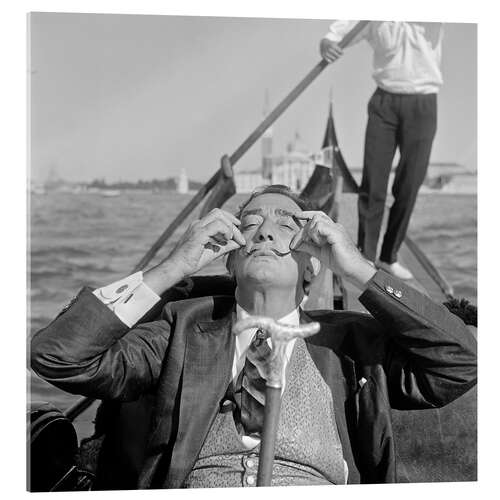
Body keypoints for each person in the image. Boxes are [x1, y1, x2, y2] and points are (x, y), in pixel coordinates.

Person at [31, 185, 476, 488]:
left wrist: (356, 268)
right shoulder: (182, 329)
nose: (264, 231)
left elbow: (460, 361)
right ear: (229, 260)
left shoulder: (352, 344)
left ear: (314, 265)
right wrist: (175, 266)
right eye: (250, 224)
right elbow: (58, 357)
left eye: (287, 225)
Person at [320, 21, 444, 279]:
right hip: (384, 102)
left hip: (423, 103)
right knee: (373, 184)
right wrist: (326, 45)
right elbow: (335, 36)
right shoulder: (373, 13)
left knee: (409, 185)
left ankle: (389, 257)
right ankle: (365, 258)